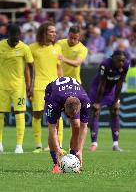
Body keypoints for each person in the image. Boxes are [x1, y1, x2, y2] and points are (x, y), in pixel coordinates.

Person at [29, 21, 63, 153]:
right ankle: (38, 145)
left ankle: (57, 145)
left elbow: (59, 68)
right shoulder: (32, 48)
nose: (54, 34)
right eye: (51, 31)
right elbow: (29, 69)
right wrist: (29, 86)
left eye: (55, 31)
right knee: (37, 114)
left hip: (54, 88)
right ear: (44, 33)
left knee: (57, 116)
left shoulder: (57, 48)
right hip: (38, 86)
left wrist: (63, 84)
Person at [45, 77, 90, 173]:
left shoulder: (85, 100)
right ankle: (56, 163)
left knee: (76, 125)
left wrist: (80, 150)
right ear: (64, 107)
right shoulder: (54, 102)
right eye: (68, 115)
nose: (69, 117)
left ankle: (74, 159)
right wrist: (58, 149)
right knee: (55, 126)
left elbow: (84, 126)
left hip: (72, 93)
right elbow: (51, 128)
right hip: (52, 91)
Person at [0, 24, 34, 153]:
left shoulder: (24, 47)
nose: (15, 42)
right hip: (2, 86)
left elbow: (31, 66)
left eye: (17, 39)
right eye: (13, 39)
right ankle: (0, 144)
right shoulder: (1, 45)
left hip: (19, 87)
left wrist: (30, 85)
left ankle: (19, 145)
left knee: (19, 114)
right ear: (7, 35)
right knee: (0, 114)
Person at [89, 50, 129, 152]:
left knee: (115, 112)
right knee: (96, 112)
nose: (121, 63)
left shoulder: (125, 65)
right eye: (119, 60)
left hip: (111, 90)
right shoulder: (105, 64)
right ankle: (94, 143)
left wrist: (116, 101)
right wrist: (97, 102)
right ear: (113, 58)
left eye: (122, 61)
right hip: (98, 89)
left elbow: (120, 83)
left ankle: (115, 144)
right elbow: (101, 84)